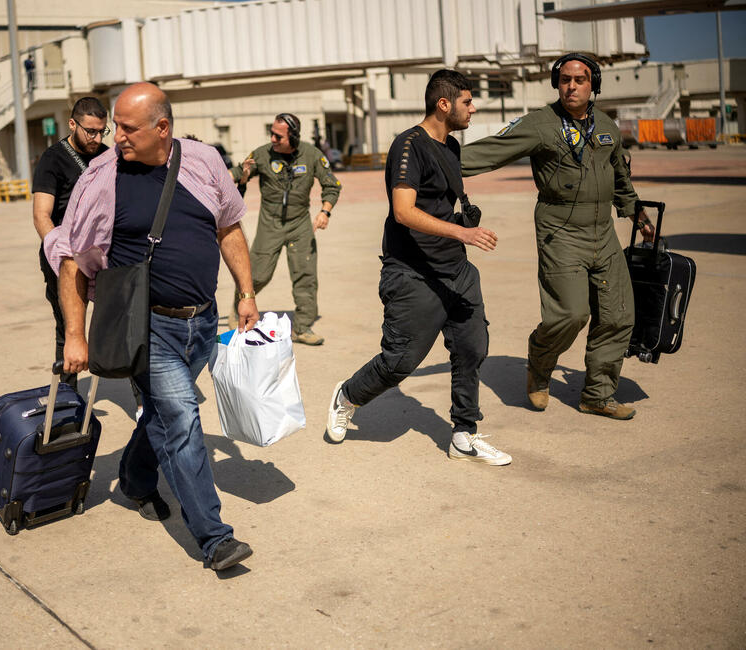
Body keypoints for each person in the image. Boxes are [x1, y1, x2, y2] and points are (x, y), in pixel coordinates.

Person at [45, 82, 259, 571]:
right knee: (182, 419)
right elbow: (72, 260)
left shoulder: (204, 161)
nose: (115, 136)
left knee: (162, 416)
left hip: (202, 321)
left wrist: (246, 292)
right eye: (114, 126)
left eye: (126, 128)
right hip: (147, 327)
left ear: (162, 128)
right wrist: (75, 335)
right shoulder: (102, 178)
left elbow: (228, 226)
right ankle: (215, 538)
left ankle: (135, 479)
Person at [325, 69, 511, 466]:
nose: (473, 108)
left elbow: (440, 204)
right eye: (467, 101)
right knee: (400, 362)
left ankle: (463, 434)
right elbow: (403, 211)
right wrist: (462, 233)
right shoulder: (408, 145)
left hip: (455, 269)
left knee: (472, 347)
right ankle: (347, 395)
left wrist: (459, 230)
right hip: (412, 271)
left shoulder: (451, 146)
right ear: (444, 104)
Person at [460, 53, 653, 420]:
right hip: (560, 232)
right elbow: (491, 151)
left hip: (603, 233)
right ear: (556, 83)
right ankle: (540, 360)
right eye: (565, 80)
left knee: (617, 316)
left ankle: (597, 395)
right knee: (570, 314)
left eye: (580, 80)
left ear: (593, 85)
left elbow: (620, 176)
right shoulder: (540, 124)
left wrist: (636, 212)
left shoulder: (607, 126)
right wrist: (432, 161)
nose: (572, 86)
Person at [230, 113, 342, 345]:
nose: (272, 139)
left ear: (293, 137)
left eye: (278, 136)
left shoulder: (311, 155)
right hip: (270, 222)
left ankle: (301, 327)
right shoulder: (262, 154)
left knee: (305, 275)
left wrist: (325, 211)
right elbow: (238, 172)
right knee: (258, 274)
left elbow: (331, 184)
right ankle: (238, 307)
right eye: (271, 133)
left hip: (300, 223)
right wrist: (237, 175)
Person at [32, 97, 109, 383]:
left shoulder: (107, 156)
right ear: (72, 124)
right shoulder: (52, 158)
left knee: (119, 324)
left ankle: (141, 400)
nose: (97, 138)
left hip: (102, 255)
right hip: (65, 258)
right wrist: (61, 257)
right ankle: (67, 396)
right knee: (69, 329)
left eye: (102, 131)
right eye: (90, 131)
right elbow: (41, 215)